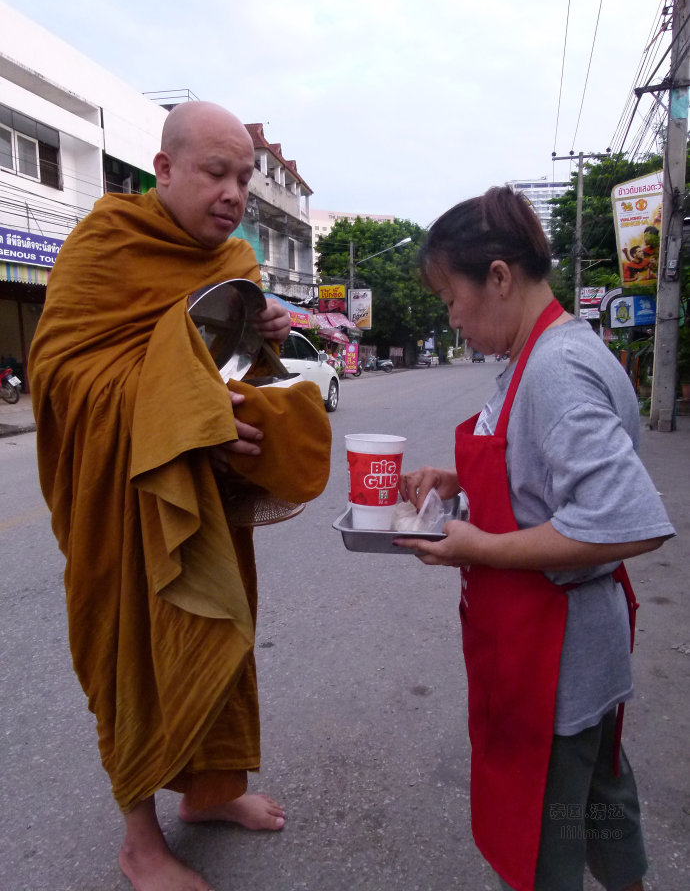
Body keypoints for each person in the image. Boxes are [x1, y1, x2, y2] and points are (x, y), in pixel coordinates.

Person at [29, 102, 332, 891]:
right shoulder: (105, 245)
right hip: (119, 498)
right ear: (164, 170)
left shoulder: (234, 261)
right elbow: (61, 376)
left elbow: (232, 369)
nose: (233, 192)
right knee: (129, 651)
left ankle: (210, 793)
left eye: (242, 176)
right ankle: (139, 841)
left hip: (202, 499)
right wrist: (189, 416)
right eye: (215, 172)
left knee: (217, 635)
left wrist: (263, 332)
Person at [395, 187, 675, 891]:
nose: (451, 317)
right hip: (585, 653)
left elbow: (623, 520)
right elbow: (544, 466)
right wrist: (457, 479)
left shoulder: (554, 369)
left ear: (498, 276)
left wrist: (475, 547)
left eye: (450, 296)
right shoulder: (547, 351)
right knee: (600, 801)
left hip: (555, 658)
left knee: (545, 832)